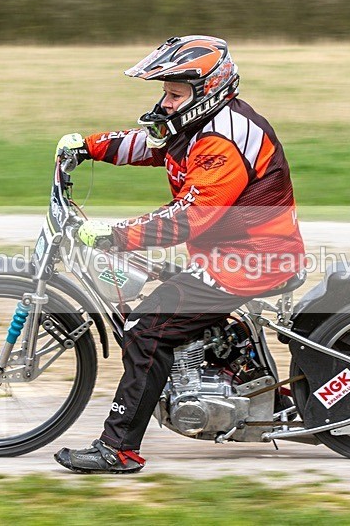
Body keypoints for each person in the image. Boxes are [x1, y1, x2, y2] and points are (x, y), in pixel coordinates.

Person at [53, 35, 305, 474]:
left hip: (252, 258)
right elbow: (148, 146)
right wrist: (88, 146)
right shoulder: (197, 124)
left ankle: (119, 449)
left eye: (174, 93)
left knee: (147, 327)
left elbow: (189, 218)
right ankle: (257, 390)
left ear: (206, 88)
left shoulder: (223, 141)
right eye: (164, 92)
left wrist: (114, 235)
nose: (165, 102)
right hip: (229, 254)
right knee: (164, 297)